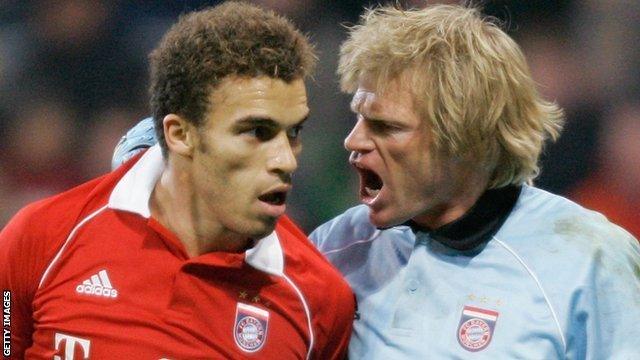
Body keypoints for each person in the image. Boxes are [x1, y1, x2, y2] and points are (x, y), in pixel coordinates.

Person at [113, 4, 640, 359]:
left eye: (385, 127)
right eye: (358, 117)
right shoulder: (335, 249)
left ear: (466, 140)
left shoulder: (587, 258)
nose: (353, 141)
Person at [0, 3, 354, 359]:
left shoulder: (319, 301)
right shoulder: (41, 239)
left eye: (293, 132)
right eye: (257, 132)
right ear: (180, 134)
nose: (286, 159)